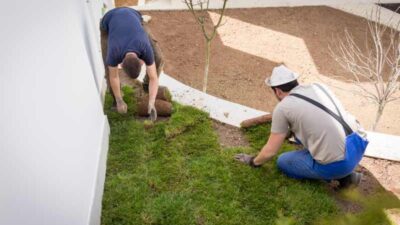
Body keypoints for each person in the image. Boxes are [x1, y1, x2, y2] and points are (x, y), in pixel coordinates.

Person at [235, 65, 369, 188]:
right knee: (309, 135)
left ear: (277, 91)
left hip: (340, 163)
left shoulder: (283, 108)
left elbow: (270, 151)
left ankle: (345, 178)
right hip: (359, 143)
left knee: (283, 161)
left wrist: (253, 161)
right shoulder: (318, 87)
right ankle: (345, 172)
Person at [100, 7, 164, 120]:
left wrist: (151, 103)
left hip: (134, 16)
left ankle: (146, 87)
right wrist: (119, 100)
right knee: (108, 68)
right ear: (121, 65)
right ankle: (117, 101)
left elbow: (153, 77)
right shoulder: (114, 53)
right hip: (108, 21)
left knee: (158, 57)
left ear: (141, 61)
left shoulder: (145, 48)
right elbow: (114, 76)